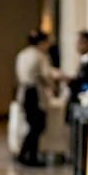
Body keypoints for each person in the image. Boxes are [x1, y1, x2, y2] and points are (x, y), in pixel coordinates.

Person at [15, 30, 65, 167]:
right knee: (37, 125)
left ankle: (30, 155)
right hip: (35, 93)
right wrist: (53, 86)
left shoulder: (22, 54)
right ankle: (26, 154)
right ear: (42, 42)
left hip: (24, 92)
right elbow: (46, 75)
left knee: (32, 124)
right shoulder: (40, 56)